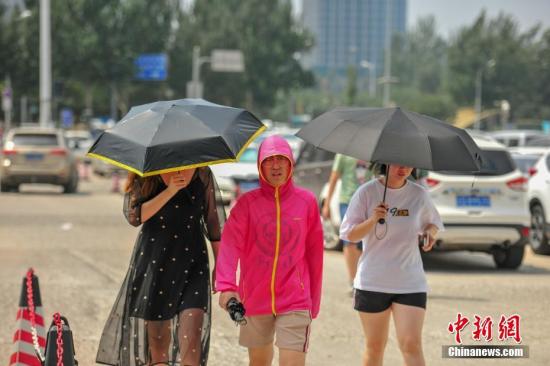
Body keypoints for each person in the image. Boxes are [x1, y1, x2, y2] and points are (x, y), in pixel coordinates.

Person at [96, 167, 225, 366]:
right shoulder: (147, 170)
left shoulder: (202, 172)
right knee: (158, 346)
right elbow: (135, 217)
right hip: (156, 261)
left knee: (192, 336)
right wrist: (170, 190)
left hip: (193, 262)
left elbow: (213, 222)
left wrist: (221, 265)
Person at [216, 135, 324, 366]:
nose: (276, 165)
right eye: (269, 160)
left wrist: (314, 298)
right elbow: (229, 246)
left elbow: (315, 254)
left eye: (281, 159)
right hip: (254, 299)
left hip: (296, 299)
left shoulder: (307, 202)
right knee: (259, 363)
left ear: (291, 164)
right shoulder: (246, 204)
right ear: (260, 165)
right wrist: (226, 286)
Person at [339, 164, 443, 366]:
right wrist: (373, 220)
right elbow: (350, 235)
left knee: (411, 344)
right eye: (398, 162)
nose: (403, 168)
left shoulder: (419, 195)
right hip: (373, 282)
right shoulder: (366, 192)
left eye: (409, 163)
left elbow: (433, 223)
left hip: (410, 282)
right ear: (386, 162)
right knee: (375, 346)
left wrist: (430, 234)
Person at [322, 154, 371, 294]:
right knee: (349, 240)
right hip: (347, 201)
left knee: (365, 243)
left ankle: (364, 279)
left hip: (368, 201)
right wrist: (326, 204)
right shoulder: (343, 153)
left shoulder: (372, 150)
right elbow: (334, 178)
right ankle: (353, 280)